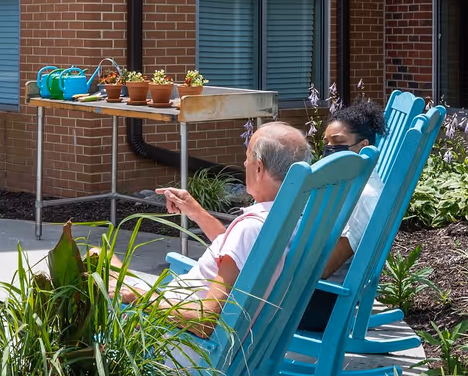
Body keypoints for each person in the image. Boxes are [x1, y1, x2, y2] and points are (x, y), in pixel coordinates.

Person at [120, 121, 312, 332]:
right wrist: (196, 212)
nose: (244, 164)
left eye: (247, 158)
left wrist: (140, 299)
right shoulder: (294, 218)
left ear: (258, 167)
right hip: (245, 339)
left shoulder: (250, 229)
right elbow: (242, 254)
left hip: (174, 333)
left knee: (98, 264)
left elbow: (205, 321)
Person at [298, 99, 387, 332]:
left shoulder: (362, 198)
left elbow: (326, 268)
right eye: (326, 143)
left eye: (338, 143)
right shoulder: (351, 185)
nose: (329, 149)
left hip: (323, 302)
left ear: (363, 146)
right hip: (315, 294)